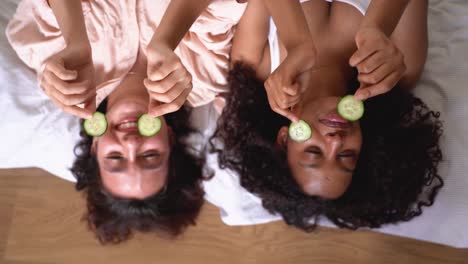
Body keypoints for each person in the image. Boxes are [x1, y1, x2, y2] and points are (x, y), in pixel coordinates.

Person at [6, 0, 245, 243]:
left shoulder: (58, 68)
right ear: (170, 142)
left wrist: (75, 37)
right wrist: (167, 39)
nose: (131, 143)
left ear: (95, 147)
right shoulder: (204, 77)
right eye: (150, 156)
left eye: (115, 158)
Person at [212, 0, 444, 231]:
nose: (335, 141)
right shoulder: (398, 70)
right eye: (347, 155)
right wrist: (379, 27)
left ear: (284, 140)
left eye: (314, 151)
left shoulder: (256, 69)